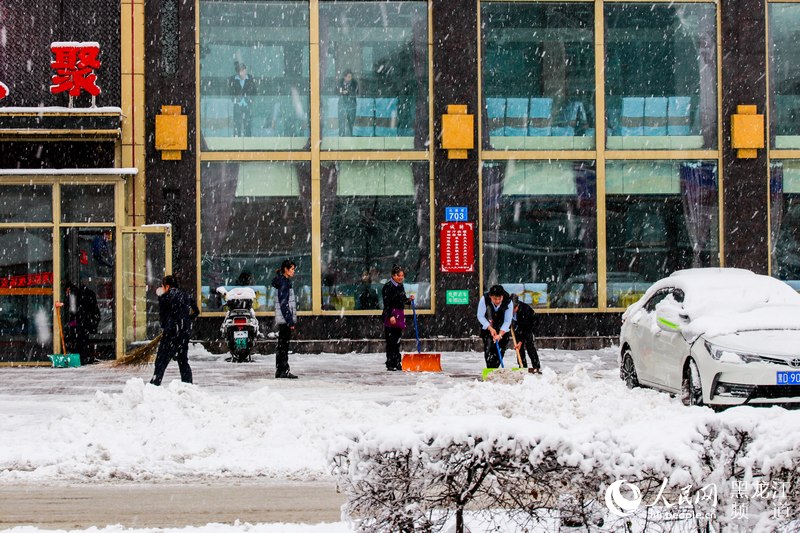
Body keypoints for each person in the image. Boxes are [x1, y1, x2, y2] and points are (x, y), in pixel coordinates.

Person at [150, 275, 193, 386]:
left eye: (163, 286)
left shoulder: (164, 298)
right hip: (183, 333)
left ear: (167, 286)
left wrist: (165, 327)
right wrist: (186, 321)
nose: (162, 288)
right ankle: (188, 384)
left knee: (161, 361)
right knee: (183, 360)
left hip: (170, 334)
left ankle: (155, 383)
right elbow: (196, 311)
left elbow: (163, 317)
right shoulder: (186, 296)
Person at [382, 265, 414, 371]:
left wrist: (409, 300)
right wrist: (390, 315)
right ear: (393, 276)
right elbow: (387, 303)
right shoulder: (388, 286)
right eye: (399, 275)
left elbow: (402, 300)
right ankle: (390, 363)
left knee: (397, 340)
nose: (401, 278)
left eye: (402, 276)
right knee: (391, 341)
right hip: (391, 315)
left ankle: (397, 362)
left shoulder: (400, 286)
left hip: (399, 314)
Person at [272, 260, 298, 379]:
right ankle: (283, 370)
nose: (293, 272)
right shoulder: (284, 283)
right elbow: (284, 304)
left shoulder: (282, 281)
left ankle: (280, 369)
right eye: (292, 269)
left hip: (282, 318)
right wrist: (290, 320)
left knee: (281, 345)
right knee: (284, 345)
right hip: (284, 319)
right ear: (286, 270)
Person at [64, 281, 101, 365]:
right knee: (81, 340)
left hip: (83, 322)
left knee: (79, 340)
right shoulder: (84, 294)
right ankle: (82, 358)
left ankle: (79, 358)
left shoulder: (75, 295)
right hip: (86, 322)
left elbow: (74, 311)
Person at [477, 284, 513, 368]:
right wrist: (490, 328)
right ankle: (490, 369)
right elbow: (480, 316)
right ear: (490, 296)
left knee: (500, 351)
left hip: (503, 330)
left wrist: (500, 335)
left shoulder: (508, 301)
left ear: (503, 296)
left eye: (499, 298)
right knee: (489, 350)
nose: (497, 301)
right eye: (494, 299)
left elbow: (507, 321)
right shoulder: (484, 299)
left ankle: (495, 368)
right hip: (488, 327)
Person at [511, 294, 541, 372]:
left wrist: (521, 341)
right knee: (519, 348)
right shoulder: (507, 308)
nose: (512, 311)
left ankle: (536, 367)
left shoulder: (524, 310)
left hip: (530, 325)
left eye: (514, 308)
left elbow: (526, 328)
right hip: (518, 326)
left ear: (517, 306)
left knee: (529, 345)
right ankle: (522, 366)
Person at [230, 62, 256, 137]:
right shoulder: (233, 79)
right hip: (237, 104)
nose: (243, 73)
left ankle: (248, 141)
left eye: (244, 70)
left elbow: (254, 91)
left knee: (247, 125)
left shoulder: (250, 79)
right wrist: (235, 99)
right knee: (237, 125)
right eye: (241, 71)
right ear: (238, 72)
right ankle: (237, 141)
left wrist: (251, 100)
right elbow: (230, 92)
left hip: (247, 104)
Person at [337, 69, 357, 136]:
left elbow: (357, 92)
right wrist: (341, 92)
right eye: (348, 77)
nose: (350, 78)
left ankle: (349, 137)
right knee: (341, 122)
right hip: (342, 104)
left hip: (351, 105)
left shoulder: (354, 83)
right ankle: (341, 136)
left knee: (350, 123)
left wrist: (348, 92)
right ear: (344, 77)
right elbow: (336, 91)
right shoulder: (340, 82)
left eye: (351, 77)